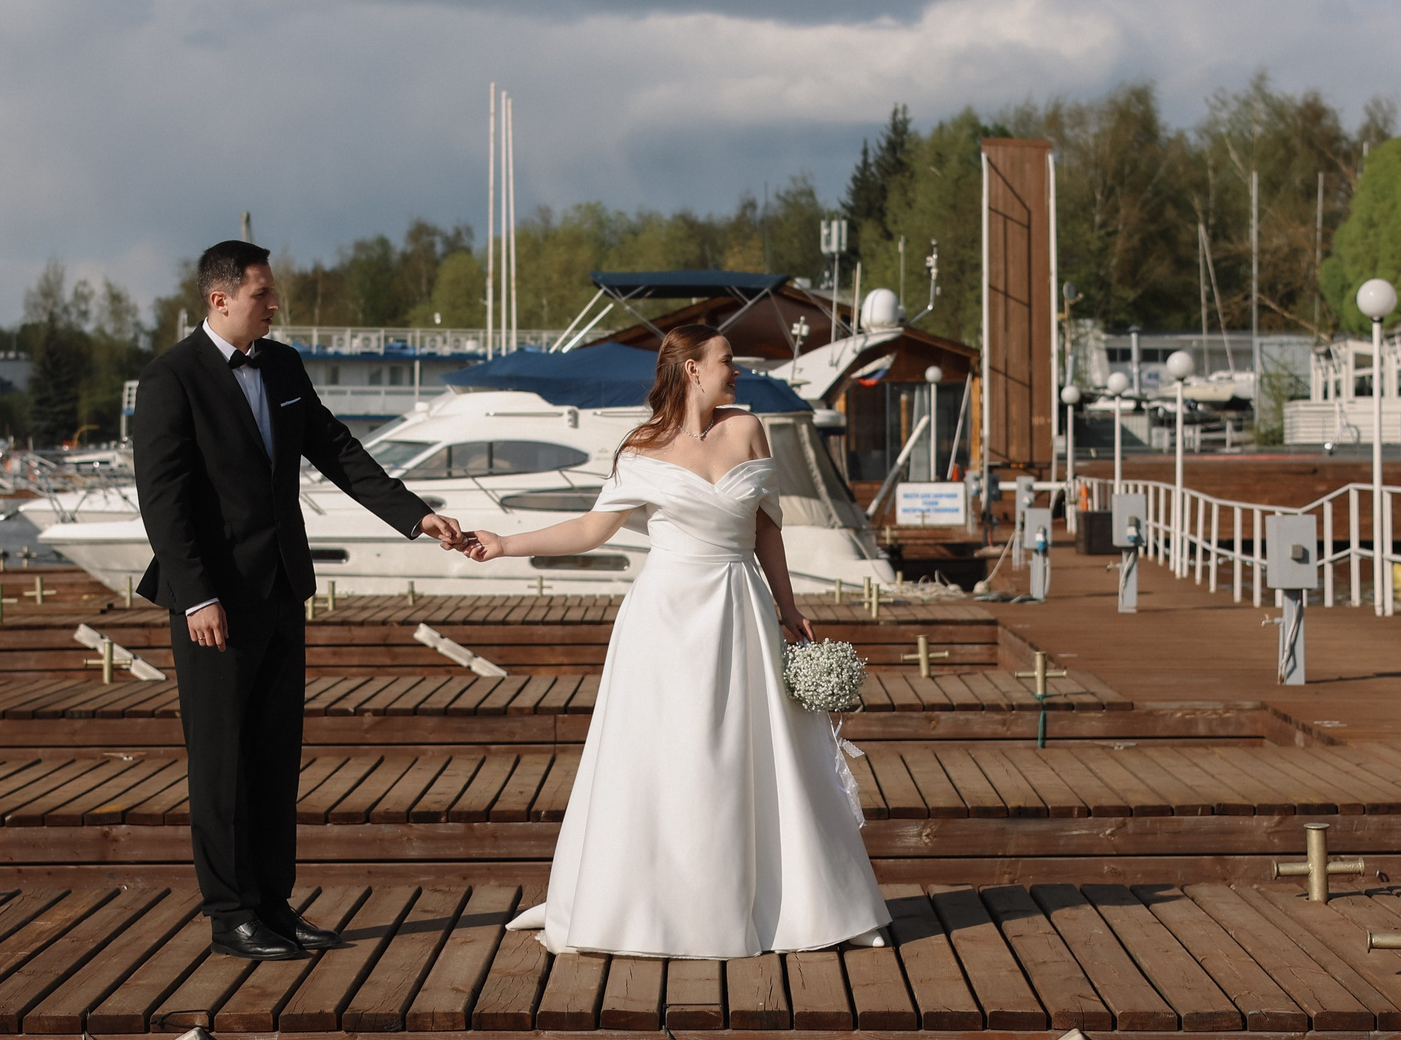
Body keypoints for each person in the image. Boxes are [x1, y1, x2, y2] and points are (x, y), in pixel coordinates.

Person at [460, 325, 889, 959]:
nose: (736, 370)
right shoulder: (641, 448)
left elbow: (768, 530)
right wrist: (505, 544)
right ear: (691, 369)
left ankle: (818, 907)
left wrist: (788, 605)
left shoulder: (747, 429)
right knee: (666, 758)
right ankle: (634, 904)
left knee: (765, 754)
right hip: (664, 622)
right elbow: (590, 530)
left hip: (740, 606)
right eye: (727, 360)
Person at [133, 239, 471, 960]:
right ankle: (231, 914)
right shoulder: (170, 379)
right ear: (219, 298)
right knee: (222, 762)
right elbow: (163, 505)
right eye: (263, 292)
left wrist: (416, 514)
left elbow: (338, 448)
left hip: (283, 588)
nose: (274, 303)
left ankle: (274, 905)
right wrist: (197, 599)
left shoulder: (281, 364)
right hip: (213, 605)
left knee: (275, 755)